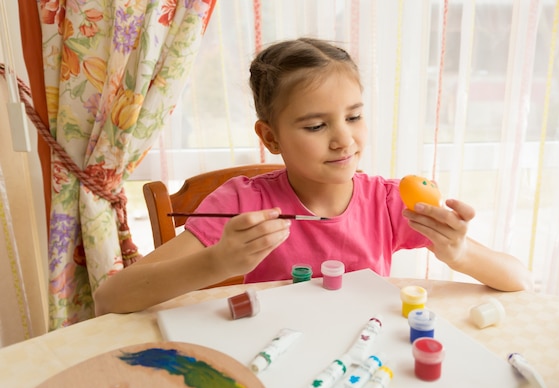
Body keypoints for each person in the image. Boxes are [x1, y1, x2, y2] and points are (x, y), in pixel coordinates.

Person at [94, 38, 531, 315]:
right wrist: (218, 262)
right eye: (316, 126)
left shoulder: (388, 201)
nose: (344, 140)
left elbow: (518, 280)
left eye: (354, 116)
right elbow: (112, 299)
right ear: (271, 137)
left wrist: (456, 251)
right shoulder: (240, 203)